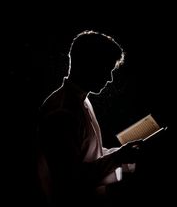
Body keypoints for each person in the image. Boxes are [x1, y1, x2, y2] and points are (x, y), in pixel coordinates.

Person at [36, 30, 142, 206]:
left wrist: (121, 153)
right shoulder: (61, 113)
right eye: (106, 69)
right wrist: (118, 158)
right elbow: (71, 181)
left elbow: (87, 157)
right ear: (87, 64)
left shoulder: (80, 101)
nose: (109, 79)